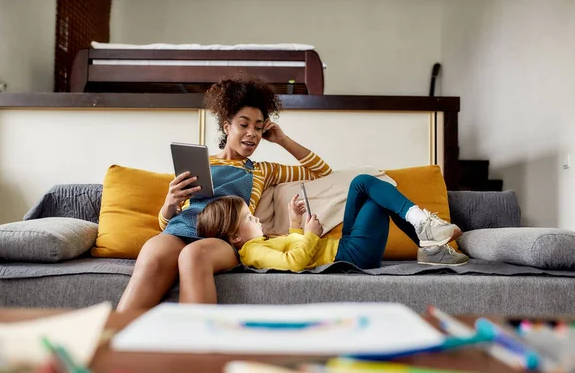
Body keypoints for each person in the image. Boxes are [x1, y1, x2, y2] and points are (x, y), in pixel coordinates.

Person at [116, 77, 333, 311]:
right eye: (244, 124)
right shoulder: (198, 162)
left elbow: (321, 171)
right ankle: (112, 339)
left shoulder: (263, 169)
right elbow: (165, 223)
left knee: (193, 255)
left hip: (225, 240)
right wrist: (170, 203)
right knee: (153, 254)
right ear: (227, 126)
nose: (252, 133)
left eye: (258, 127)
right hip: (181, 229)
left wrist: (282, 140)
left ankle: (196, 345)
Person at [196, 174, 469, 272]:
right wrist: (312, 235)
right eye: (248, 218)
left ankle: (426, 235)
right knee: (376, 200)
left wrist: (295, 221)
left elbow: (292, 245)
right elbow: (294, 263)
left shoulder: (257, 243)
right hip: (352, 255)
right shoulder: (252, 252)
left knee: (361, 183)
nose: (255, 217)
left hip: (346, 246)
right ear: (234, 237)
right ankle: (426, 234)